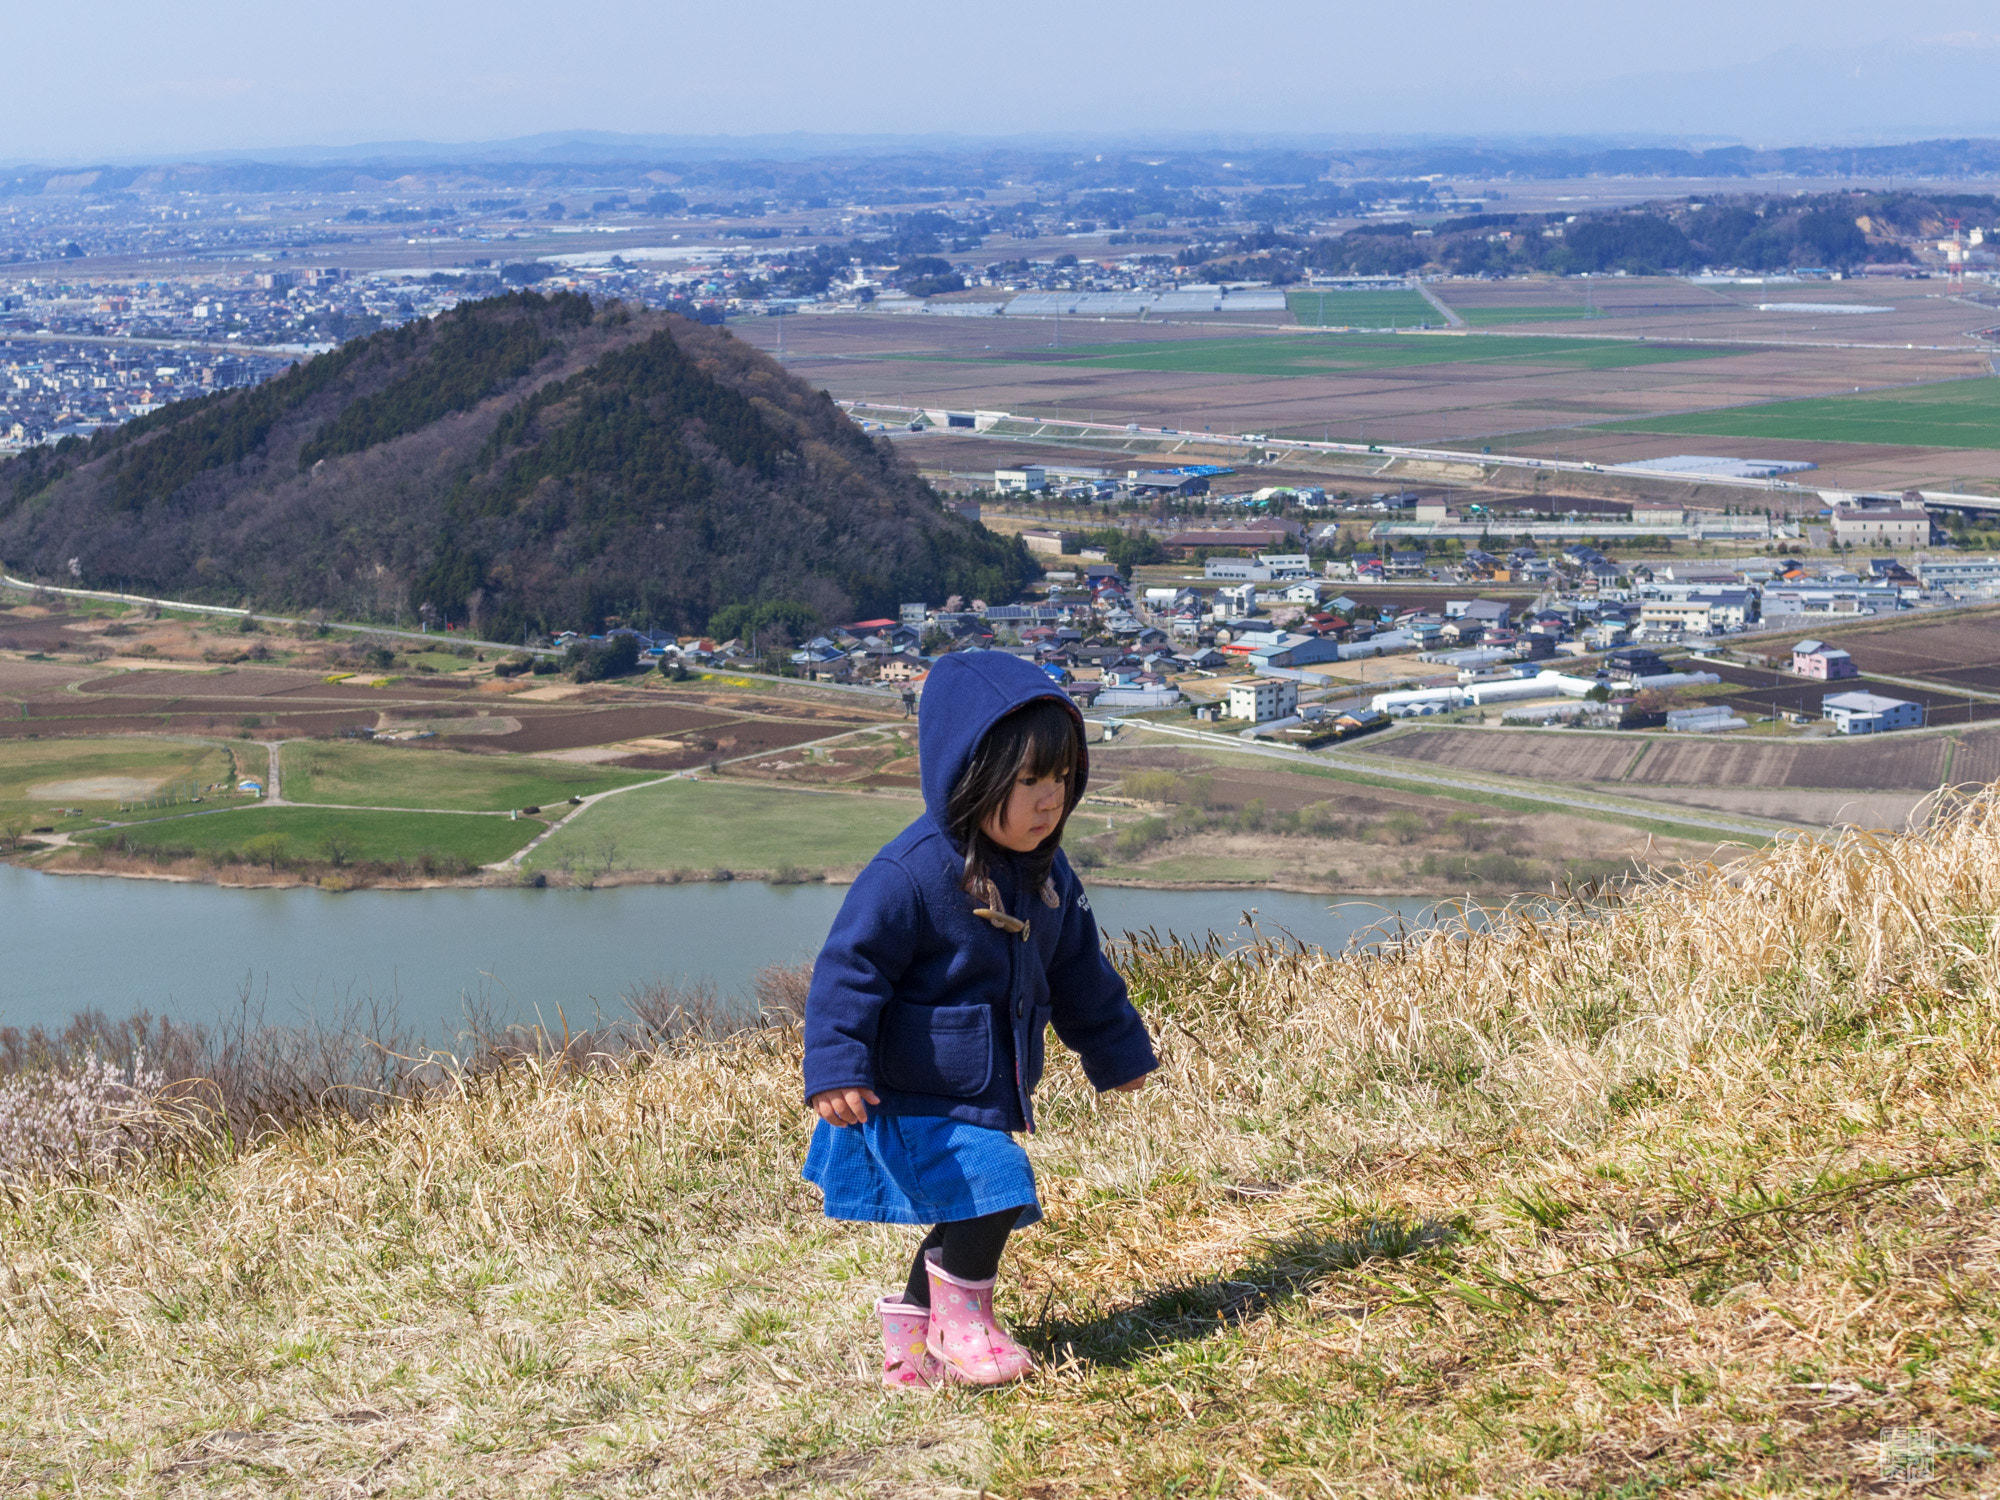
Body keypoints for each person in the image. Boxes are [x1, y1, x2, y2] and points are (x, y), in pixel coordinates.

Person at [801, 652, 1157, 1388]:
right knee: (998, 1180)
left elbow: (1079, 973)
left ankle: (912, 1344)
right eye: (1028, 781)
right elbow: (849, 969)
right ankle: (966, 1329)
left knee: (969, 1202)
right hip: (904, 1093)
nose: (1048, 801)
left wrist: (1117, 1051)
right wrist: (835, 1065)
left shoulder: (1048, 875)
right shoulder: (911, 874)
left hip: (975, 1092)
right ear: (969, 776)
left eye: (1060, 779)